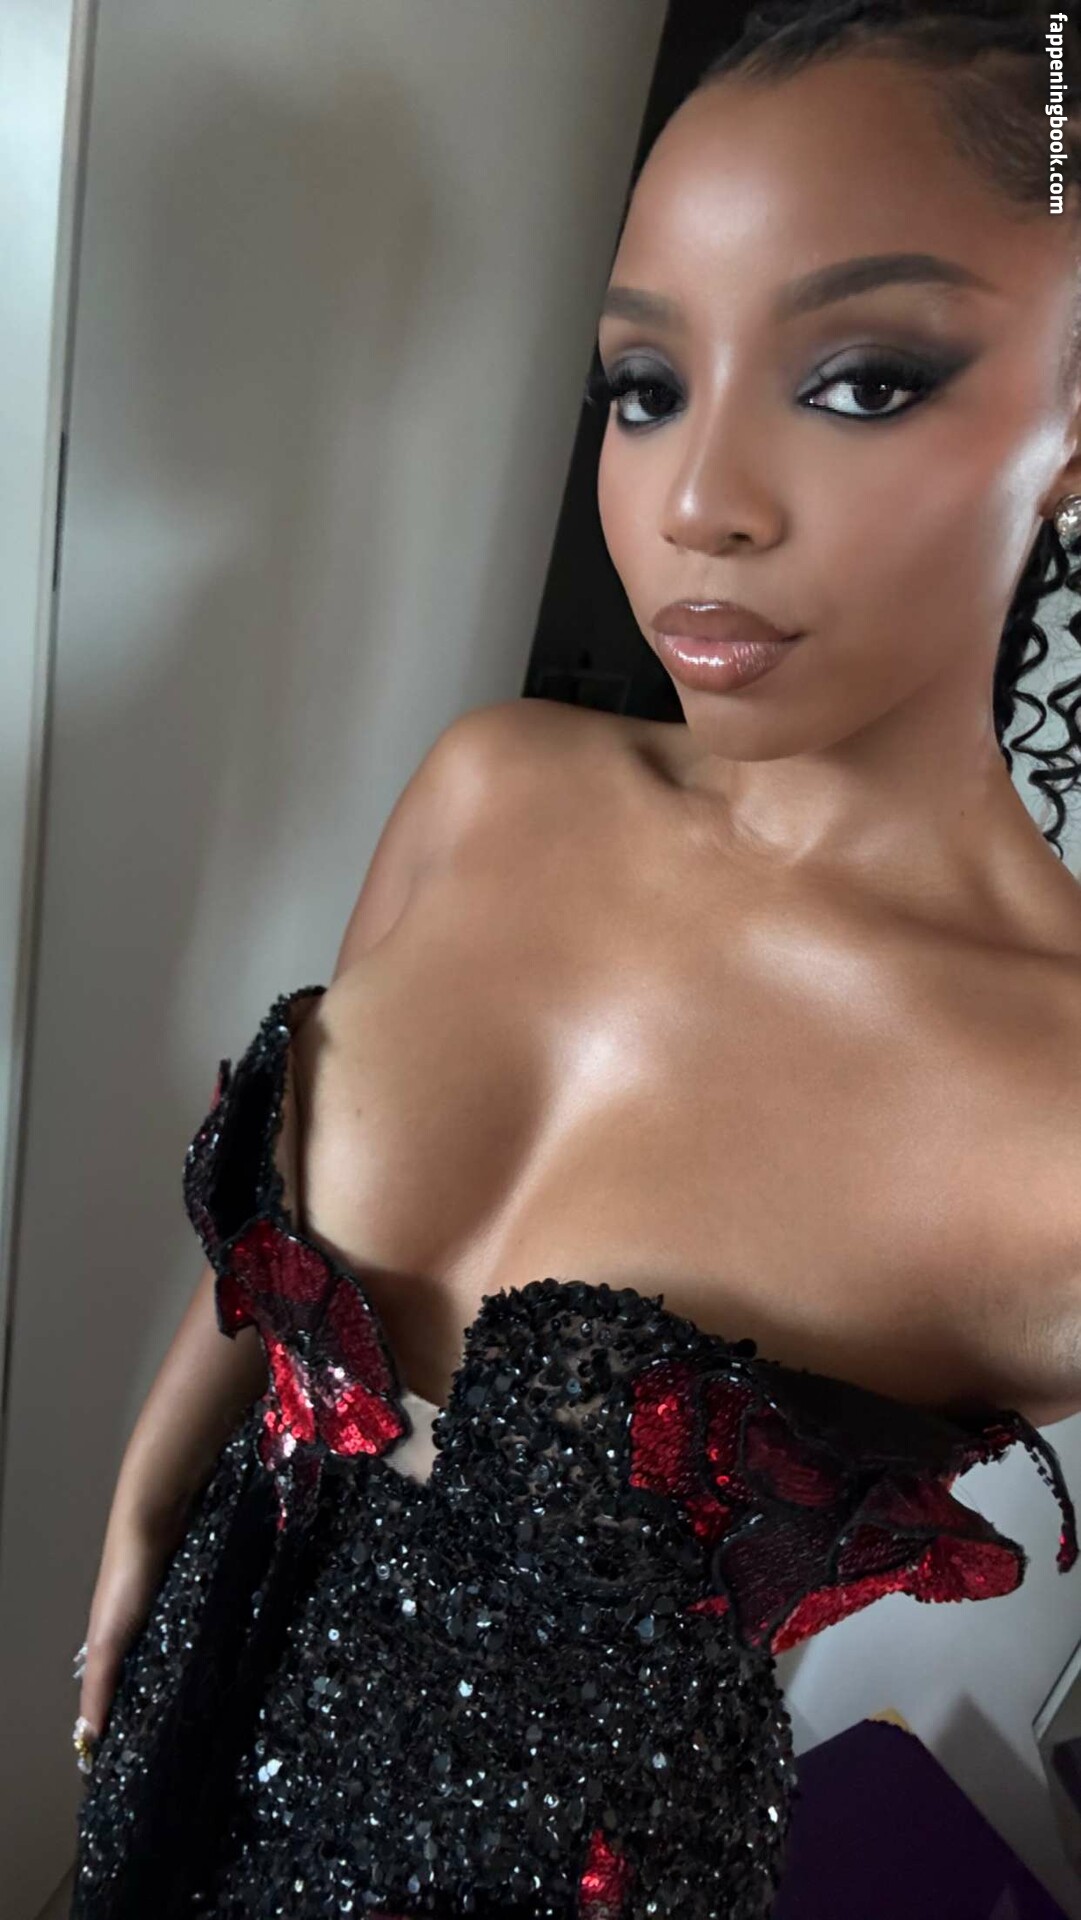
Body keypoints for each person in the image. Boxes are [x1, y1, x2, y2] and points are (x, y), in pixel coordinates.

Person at [69, 5, 1081, 1916]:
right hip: (193, 1699)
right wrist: (143, 1500)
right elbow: (275, 1263)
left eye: (861, 380)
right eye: (642, 384)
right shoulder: (490, 787)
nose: (696, 501)